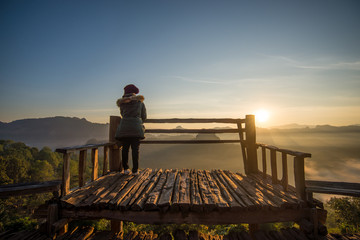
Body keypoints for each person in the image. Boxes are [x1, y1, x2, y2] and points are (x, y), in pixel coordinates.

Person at [115, 84, 147, 175]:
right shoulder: (140, 102)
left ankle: (125, 169)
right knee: (135, 150)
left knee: (125, 149)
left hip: (124, 128)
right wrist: (137, 121)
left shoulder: (122, 103)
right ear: (134, 93)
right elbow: (144, 116)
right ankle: (135, 170)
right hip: (136, 128)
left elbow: (122, 114)